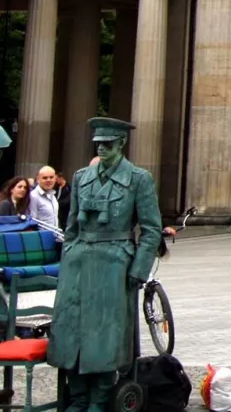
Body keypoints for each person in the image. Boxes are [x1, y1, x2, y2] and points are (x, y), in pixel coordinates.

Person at [49, 117, 162, 411]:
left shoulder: (139, 179)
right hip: (78, 263)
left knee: (105, 334)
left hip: (114, 264)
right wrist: (70, 252)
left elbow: (151, 230)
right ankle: (77, 397)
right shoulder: (80, 177)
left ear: (121, 144)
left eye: (108, 143)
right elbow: (71, 224)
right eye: (98, 143)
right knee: (70, 330)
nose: (102, 148)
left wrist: (138, 269)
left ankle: (99, 398)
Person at [30, 166, 62, 236]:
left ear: (55, 178)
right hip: (41, 240)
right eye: (44, 178)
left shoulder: (53, 196)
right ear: (38, 179)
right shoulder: (33, 196)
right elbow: (32, 222)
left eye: (51, 177)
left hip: (55, 238)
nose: (48, 180)